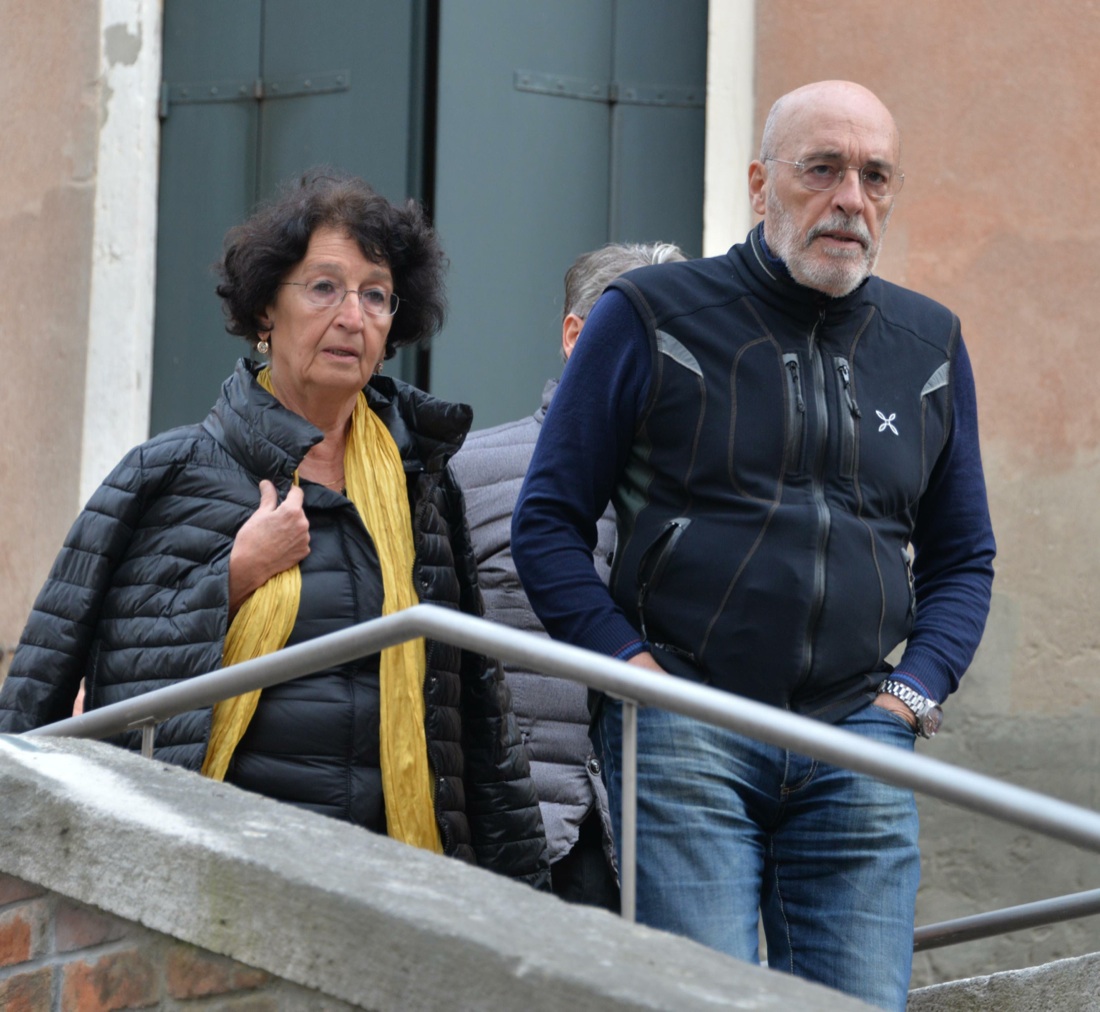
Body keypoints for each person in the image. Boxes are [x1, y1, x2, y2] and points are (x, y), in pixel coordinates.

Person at [511, 80, 996, 1008]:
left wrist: (912, 694)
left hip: (861, 733)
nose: (850, 199)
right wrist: (633, 673)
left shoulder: (928, 343)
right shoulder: (651, 314)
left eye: (875, 176)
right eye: (823, 169)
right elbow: (547, 521)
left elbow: (963, 555)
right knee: (711, 1000)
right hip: (685, 720)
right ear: (760, 183)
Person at [0, 170, 548, 887]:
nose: (352, 316)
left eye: (375, 295)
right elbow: (67, 680)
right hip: (222, 873)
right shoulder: (171, 472)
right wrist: (234, 578)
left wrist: (527, 891)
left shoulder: (421, 481)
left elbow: (471, 702)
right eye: (324, 287)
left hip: (396, 881)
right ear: (265, 310)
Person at [451, 242, 686, 910]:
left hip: (674, 854)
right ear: (575, 337)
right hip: (519, 843)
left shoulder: (724, 497)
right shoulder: (465, 475)